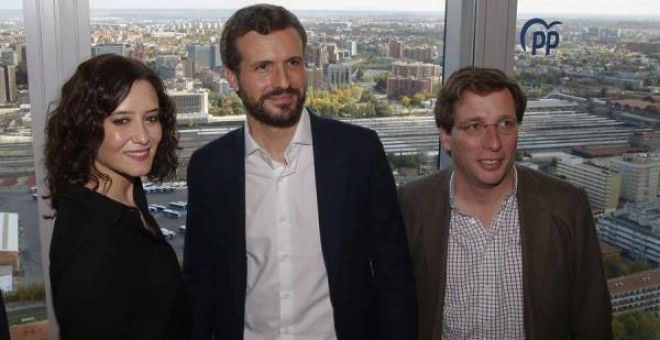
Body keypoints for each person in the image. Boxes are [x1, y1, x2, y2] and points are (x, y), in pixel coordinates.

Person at [183, 4, 417, 340]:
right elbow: (200, 285)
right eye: (263, 67)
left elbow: (393, 275)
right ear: (232, 77)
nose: (282, 82)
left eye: (292, 63)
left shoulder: (358, 153)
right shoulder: (210, 168)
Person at [398, 67, 612, 339]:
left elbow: (592, 321)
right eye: (475, 126)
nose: (494, 143)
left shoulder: (566, 206)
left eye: (505, 124)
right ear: (446, 137)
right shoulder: (412, 207)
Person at [45, 54, 189, 340]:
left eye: (151, 118)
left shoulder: (128, 193)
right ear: (87, 127)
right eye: (122, 120)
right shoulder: (92, 248)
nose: (143, 136)